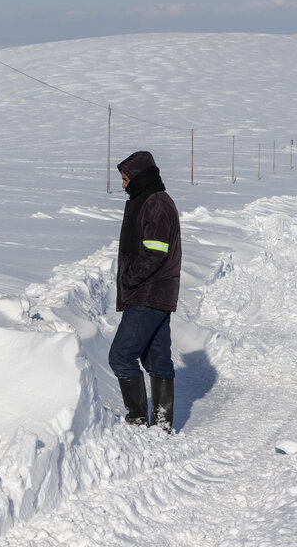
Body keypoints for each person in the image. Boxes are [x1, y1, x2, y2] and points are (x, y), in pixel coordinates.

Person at [110, 151, 181, 433]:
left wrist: (129, 278)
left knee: (121, 355)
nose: (124, 184)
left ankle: (137, 422)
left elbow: (155, 251)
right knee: (156, 358)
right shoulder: (149, 201)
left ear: (140, 177)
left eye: (126, 179)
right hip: (156, 292)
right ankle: (162, 427)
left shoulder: (155, 205)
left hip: (148, 293)